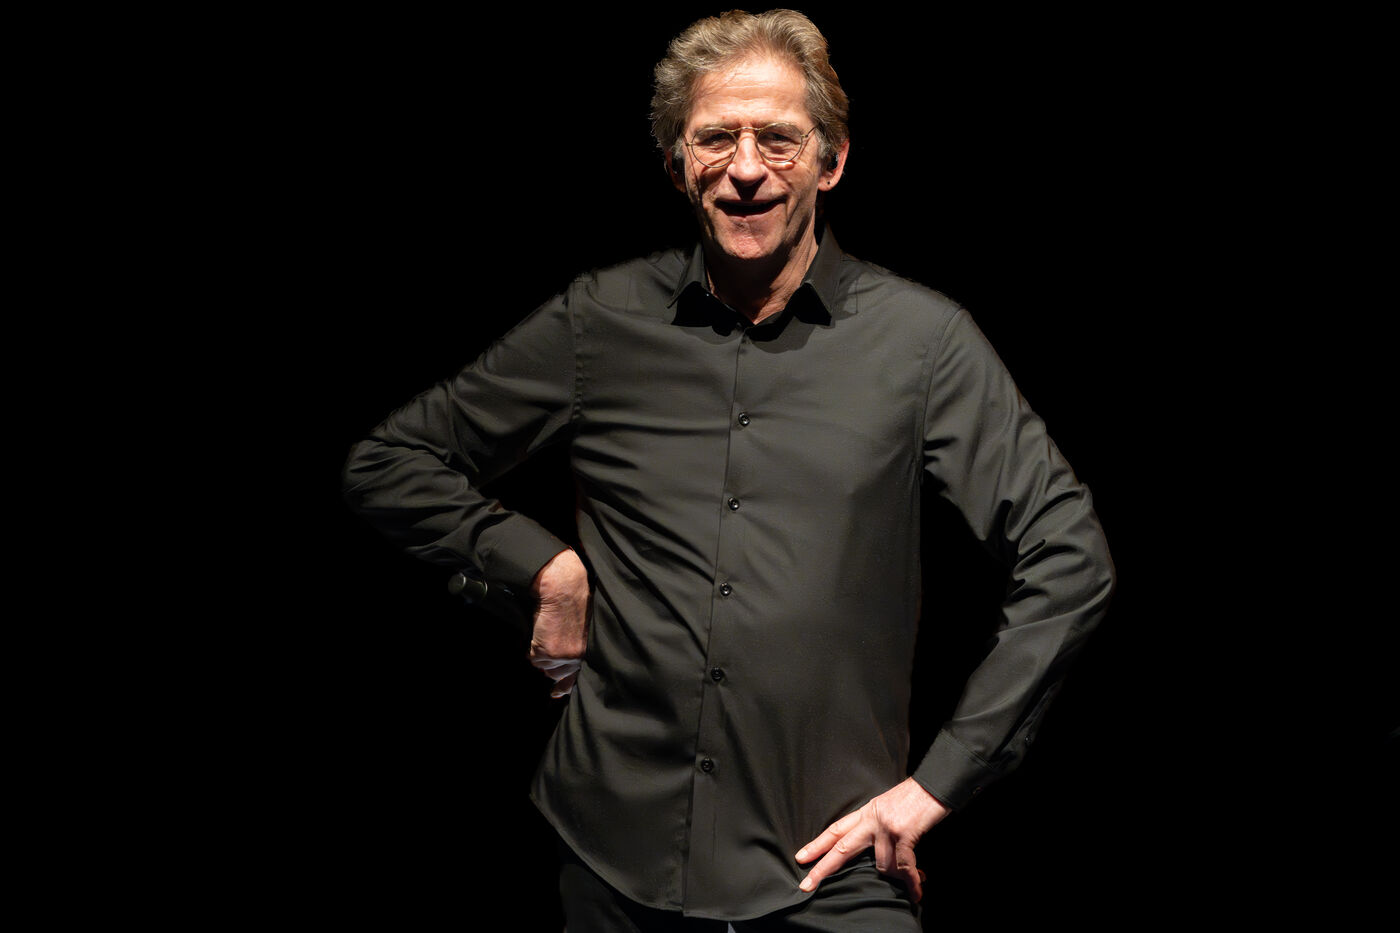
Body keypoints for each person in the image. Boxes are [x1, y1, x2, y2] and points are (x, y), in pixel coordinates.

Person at [343, 9, 1114, 930]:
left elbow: (1069, 556)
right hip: (612, 852)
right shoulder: (600, 321)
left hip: (825, 866)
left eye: (778, 139)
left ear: (831, 161)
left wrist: (938, 783)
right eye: (716, 139)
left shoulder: (924, 343)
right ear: (679, 165)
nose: (747, 169)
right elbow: (390, 461)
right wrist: (543, 567)